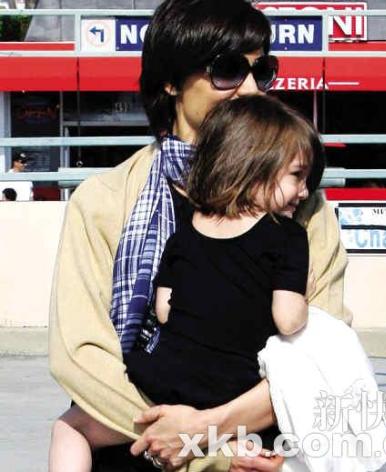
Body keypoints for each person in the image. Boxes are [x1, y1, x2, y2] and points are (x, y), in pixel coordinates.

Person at [49, 1, 348, 471]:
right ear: (171, 81)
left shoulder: (301, 205)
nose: (249, 89)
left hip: (257, 455)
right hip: (134, 453)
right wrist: (198, 444)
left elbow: (321, 351)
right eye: (227, 70)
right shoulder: (103, 201)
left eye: (261, 71)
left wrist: (210, 431)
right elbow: (81, 356)